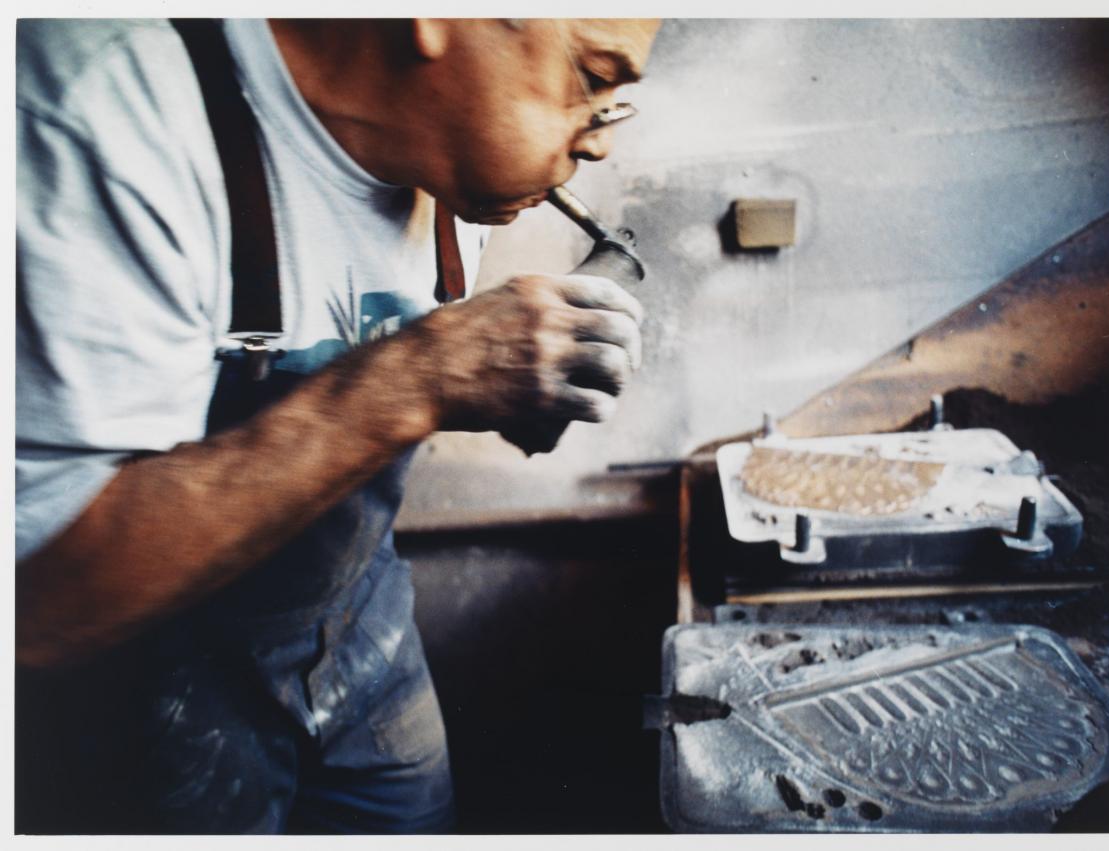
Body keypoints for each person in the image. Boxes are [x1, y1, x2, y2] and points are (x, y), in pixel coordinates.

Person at [15, 17, 661, 833]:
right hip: (153, 689)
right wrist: (426, 372)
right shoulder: (108, 118)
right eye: (593, 79)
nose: (597, 142)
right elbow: (42, 597)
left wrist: (516, 387)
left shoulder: (454, 156)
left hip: (359, 626)